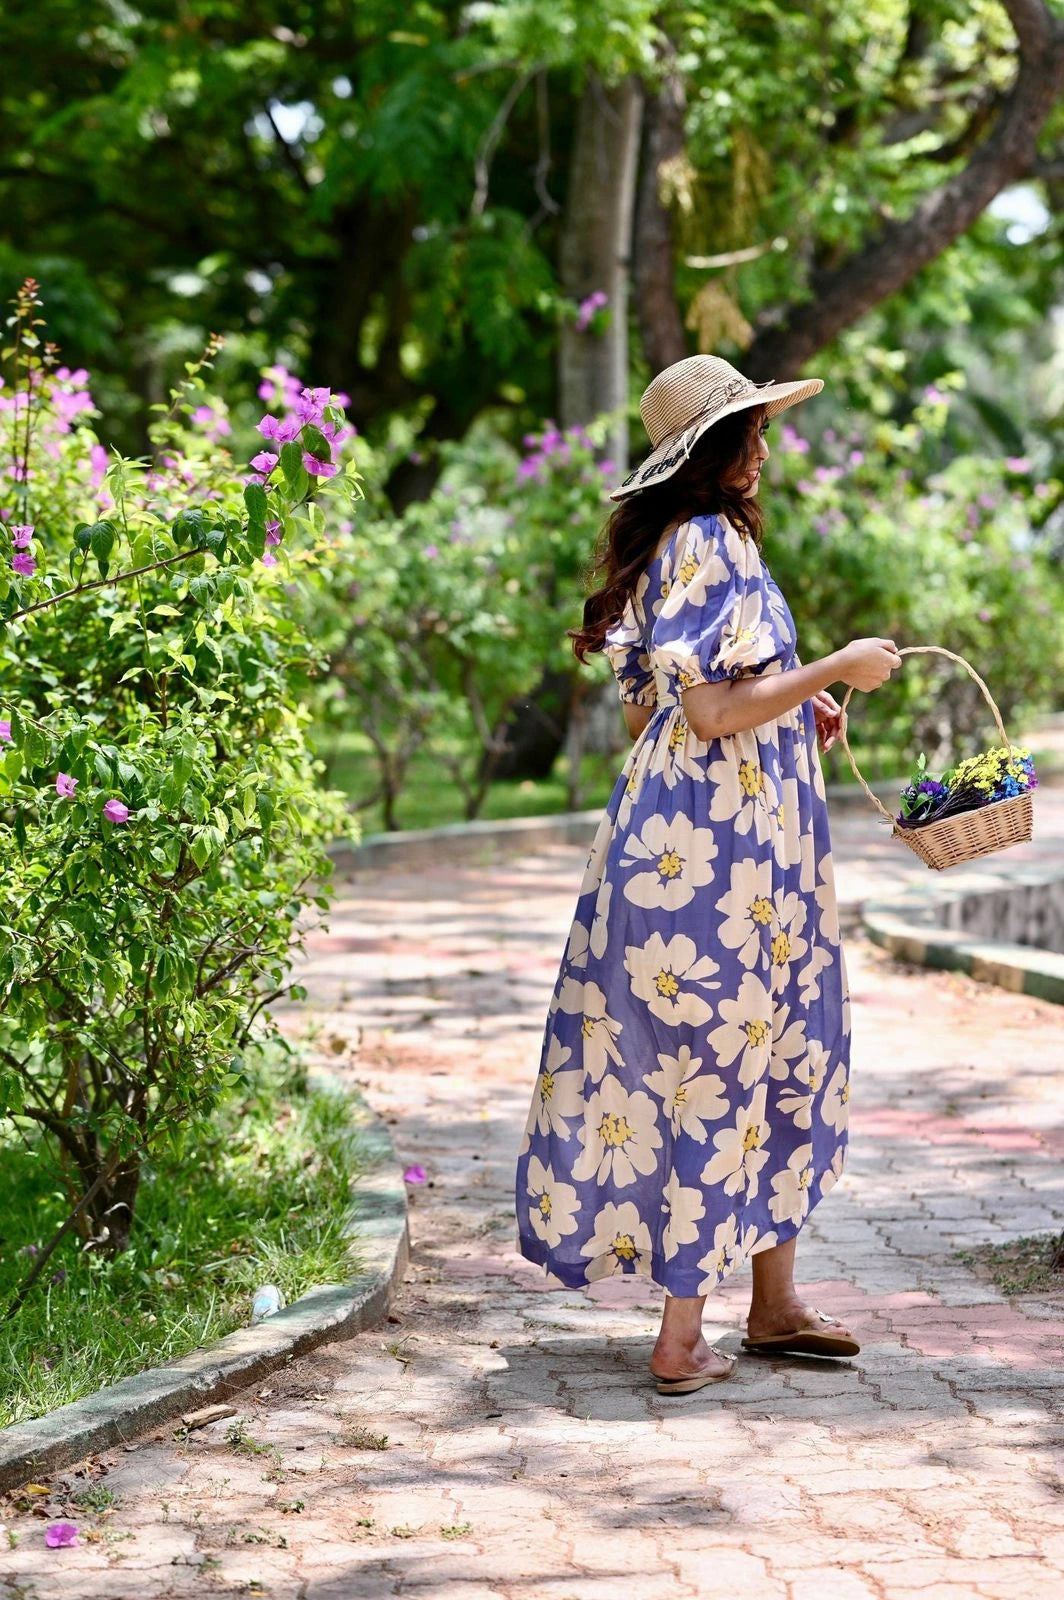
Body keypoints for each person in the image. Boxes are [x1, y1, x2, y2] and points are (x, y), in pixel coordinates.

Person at [514, 354, 901, 1395]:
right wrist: (835, 668)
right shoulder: (702, 542)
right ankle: (679, 1340)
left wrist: (795, 708)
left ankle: (770, 1306)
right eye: (751, 433)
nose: (764, 450)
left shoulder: (697, 543)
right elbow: (706, 713)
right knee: (724, 1064)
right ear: (710, 453)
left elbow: (674, 709)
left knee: (774, 1049)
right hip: (716, 865)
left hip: (714, 845)